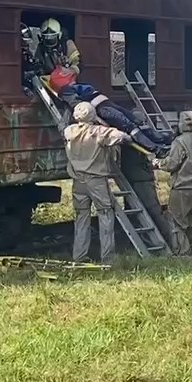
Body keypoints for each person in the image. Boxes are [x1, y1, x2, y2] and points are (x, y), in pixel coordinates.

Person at [63, 101, 129, 263]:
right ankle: (107, 257)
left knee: (81, 217)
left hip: (78, 181)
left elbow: (66, 128)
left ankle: (79, 256)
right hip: (96, 181)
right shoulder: (99, 132)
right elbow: (122, 137)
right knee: (105, 215)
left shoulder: (69, 131)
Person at [49, 68, 173, 154]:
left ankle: (162, 139)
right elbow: (78, 105)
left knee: (137, 122)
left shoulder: (73, 87)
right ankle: (157, 149)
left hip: (108, 105)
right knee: (130, 127)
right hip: (104, 110)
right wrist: (94, 118)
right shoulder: (66, 91)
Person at [156, 110, 192, 255]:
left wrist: (158, 163)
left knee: (176, 221)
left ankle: (183, 252)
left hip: (181, 187)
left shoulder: (180, 141)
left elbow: (171, 164)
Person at [119, 115, 171, 245]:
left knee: (148, 213)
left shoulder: (128, 139)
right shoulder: (141, 139)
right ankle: (164, 240)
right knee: (152, 212)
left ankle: (165, 241)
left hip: (135, 179)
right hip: (142, 179)